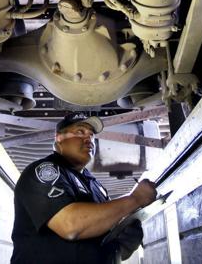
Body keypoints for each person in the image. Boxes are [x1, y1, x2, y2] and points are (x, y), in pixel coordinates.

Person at [10, 111, 158, 264]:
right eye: (80, 132)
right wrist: (135, 199)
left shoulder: (96, 187)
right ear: (59, 139)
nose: (89, 139)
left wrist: (125, 241)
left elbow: (103, 242)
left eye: (91, 135)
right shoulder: (44, 171)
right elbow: (70, 225)